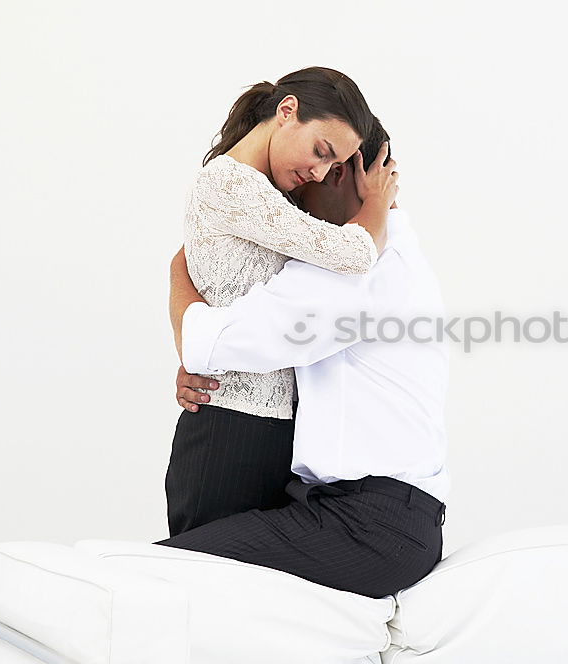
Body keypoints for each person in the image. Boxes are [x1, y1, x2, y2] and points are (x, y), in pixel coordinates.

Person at [158, 128, 450, 599]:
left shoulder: (359, 269)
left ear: (343, 173)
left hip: (371, 526)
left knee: (161, 570)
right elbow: (251, 342)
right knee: (201, 587)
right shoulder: (390, 253)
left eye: (312, 172)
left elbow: (214, 342)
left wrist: (179, 268)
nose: (294, 198)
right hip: (357, 513)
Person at [166, 66, 400, 536]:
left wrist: (191, 342)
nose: (318, 172)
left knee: (256, 598)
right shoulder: (231, 183)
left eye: (332, 167)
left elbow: (188, 264)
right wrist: (375, 201)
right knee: (202, 589)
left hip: (274, 430)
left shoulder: (273, 196)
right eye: (320, 151)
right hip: (230, 428)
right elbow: (354, 254)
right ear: (286, 112)